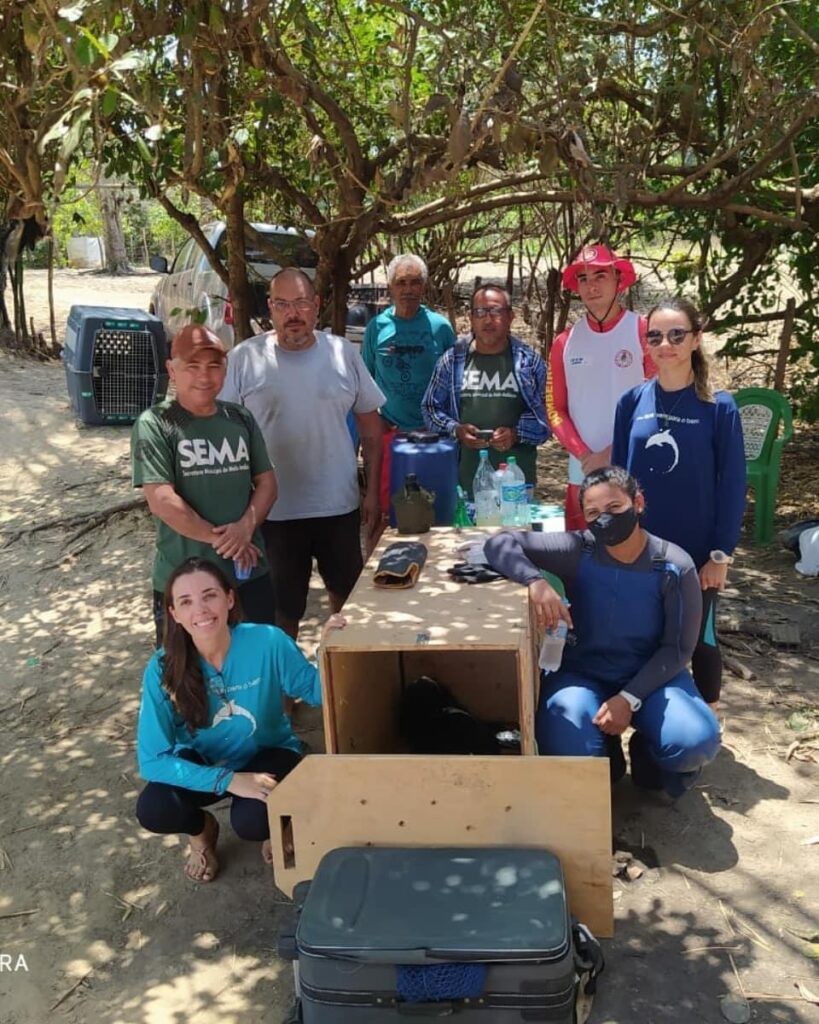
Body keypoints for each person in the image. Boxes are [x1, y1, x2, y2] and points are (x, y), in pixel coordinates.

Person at [485, 466, 721, 797]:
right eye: (593, 512)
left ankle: (650, 755)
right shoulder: (576, 549)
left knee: (695, 741)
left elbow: (678, 650)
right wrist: (534, 582)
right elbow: (500, 543)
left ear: (638, 503)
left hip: (654, 677)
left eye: (614, 508)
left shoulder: (674, 566)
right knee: (567, 746)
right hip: (582, 673)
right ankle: (604, 757)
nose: (604, 520)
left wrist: (628, 698)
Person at [136, 557, 345, 882]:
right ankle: (202, 831)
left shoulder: (267, 641)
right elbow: (152, 761)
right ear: (174, 614)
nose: (201, 610)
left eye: (209, 595)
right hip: (206, 765)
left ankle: (276, 826)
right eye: (186, 602)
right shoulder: (162, 668)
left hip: (268, 756)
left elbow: (318, 693)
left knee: (253, 821)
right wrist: (229, 781)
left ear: (230, 598)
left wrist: (328, 650)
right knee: (155, 808)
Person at [220, 268, 385, 640]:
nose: (292, 314)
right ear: (270, 308)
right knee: (282, 614)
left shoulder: (343, 354)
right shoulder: (245, 359)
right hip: (273, 513)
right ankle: (286, 697)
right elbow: (222, 434)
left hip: (338, 507)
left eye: (300, 304)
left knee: (347, 607)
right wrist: (239, 512)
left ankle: (343, 685)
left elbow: (373, 432)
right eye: (282, 305)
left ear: (316, 306)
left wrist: (372, 492)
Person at [612, 297, 746, 708]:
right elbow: (618, 480)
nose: (665, 344)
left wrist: (720, 555)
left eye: (676, 335)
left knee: (699, 640)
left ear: (695, 339)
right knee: (643, 637)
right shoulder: (632, 401)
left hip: (698, 553)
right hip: (641, 547)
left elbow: (733, 486)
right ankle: (649, 717)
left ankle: (706, 722)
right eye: (655, 336)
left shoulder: (719, 407)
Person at [131, 323, 277, 645]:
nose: (204, 376)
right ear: (172, 369)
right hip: (186, 581)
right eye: (192, 366)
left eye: (214, 365)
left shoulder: (240, 418)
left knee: (258, 664)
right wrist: (227, 540)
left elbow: (267, 482)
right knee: (186, 675)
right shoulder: (156, 424)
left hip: (247, 571)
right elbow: (162, 500)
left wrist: (245, 527)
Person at [547, 244, 654, 529]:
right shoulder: (563, 343)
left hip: (634, 465)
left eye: (600, 276)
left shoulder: (643, 331)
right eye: (583, 279)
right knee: (581, 559)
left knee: (636, 557)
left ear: (619, 280)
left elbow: (657, 402)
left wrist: (610, 452)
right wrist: (585, 456)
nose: (591, 286)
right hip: (581, 470)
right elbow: (555, 409)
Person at [422, 285, 550, 495]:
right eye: (480, 312)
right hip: (465, 483)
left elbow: (549, 418)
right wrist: (456, 429)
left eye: (496, 311)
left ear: (510, 316)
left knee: (515, 529)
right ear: (471, 317)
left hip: (517, 483)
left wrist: (516, 434)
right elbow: (430, 408)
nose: (488, 320)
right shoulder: (452, 360)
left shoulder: (529, 362)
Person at [361, 254, 456, 513]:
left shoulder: (441, 328)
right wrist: (375, 423)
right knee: (387, 511)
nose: (408, 290)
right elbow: (364, 384)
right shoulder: (376, 328)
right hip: (391, 436)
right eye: (401, 282)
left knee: (433, 511)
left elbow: (455, 383)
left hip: (433, 436)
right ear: (390, 286)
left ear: (424, 286)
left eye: (415, 282)